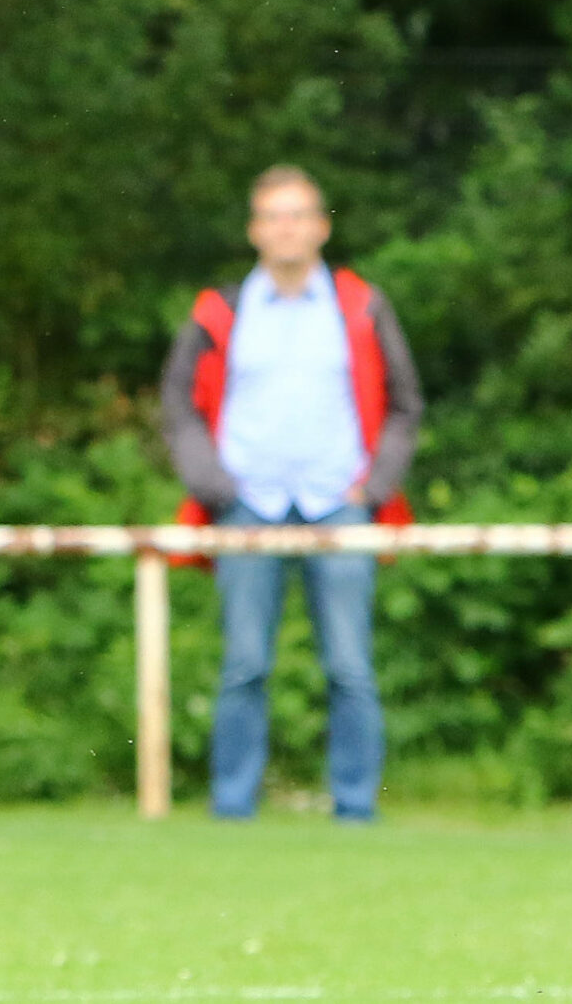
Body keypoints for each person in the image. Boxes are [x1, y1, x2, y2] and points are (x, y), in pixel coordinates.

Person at [159, 165, 424, 823]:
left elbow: (404, 402)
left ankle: (357, 808)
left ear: (322, 227)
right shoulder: (220, 310)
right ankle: (232, 807)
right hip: (247, 502)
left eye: (299, 214)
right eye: (274, 215)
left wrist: (376, 483)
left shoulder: (361, 304)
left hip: (341, 499)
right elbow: (178, 403)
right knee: (245, 663)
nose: (287, 227)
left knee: (351, 667)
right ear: (255, 230)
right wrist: (213, 484)